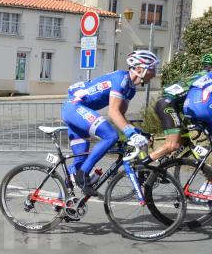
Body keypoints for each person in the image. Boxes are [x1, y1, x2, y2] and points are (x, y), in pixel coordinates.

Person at [62, 50, 159, 196]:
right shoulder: (121, 79)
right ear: (139, 68)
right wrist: (131, 134)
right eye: (152, 68)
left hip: (78, 111)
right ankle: (83, 175)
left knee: (79, 161)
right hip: (74, 107)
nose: (154, 73)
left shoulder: (130, 89)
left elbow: (121, 117)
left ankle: (62, 204)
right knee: (110, 136)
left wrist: (137, 132)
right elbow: (113, 112)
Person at [150, 53, 212, 161]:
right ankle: (142, 166)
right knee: (172, 145)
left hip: (168, 104)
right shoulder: (206, 78)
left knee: (183, 139)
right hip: (169, 104)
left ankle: (163, 164)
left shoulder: (198, 75)